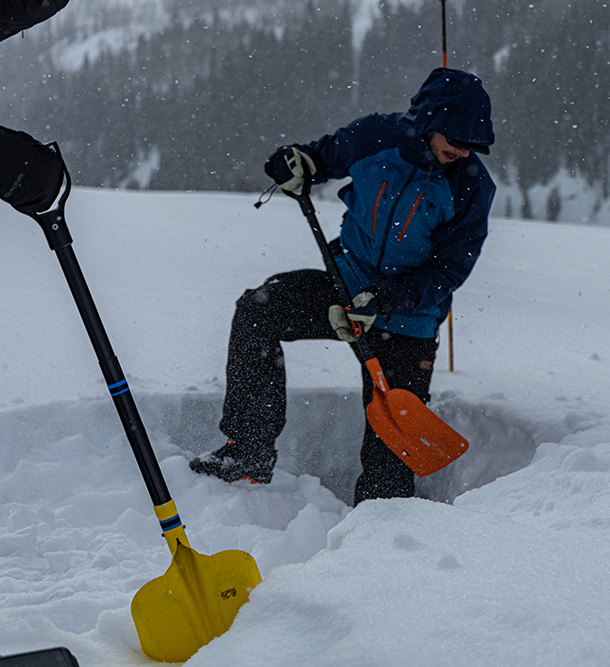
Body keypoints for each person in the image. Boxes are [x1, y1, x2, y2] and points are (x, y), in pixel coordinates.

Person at [190, 68, 496, 505]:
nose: (463, 151)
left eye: (471, 143)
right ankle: (249, 451)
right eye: (456, 139)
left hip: (406, 317)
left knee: (388, 471)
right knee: (259, 310)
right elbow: (319, 159)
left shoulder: (471, 185)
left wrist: (389, 298)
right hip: (343, 284)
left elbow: (450, 269)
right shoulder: (376, 136)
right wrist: (294, 163)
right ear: (429, 122)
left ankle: (378, 537)